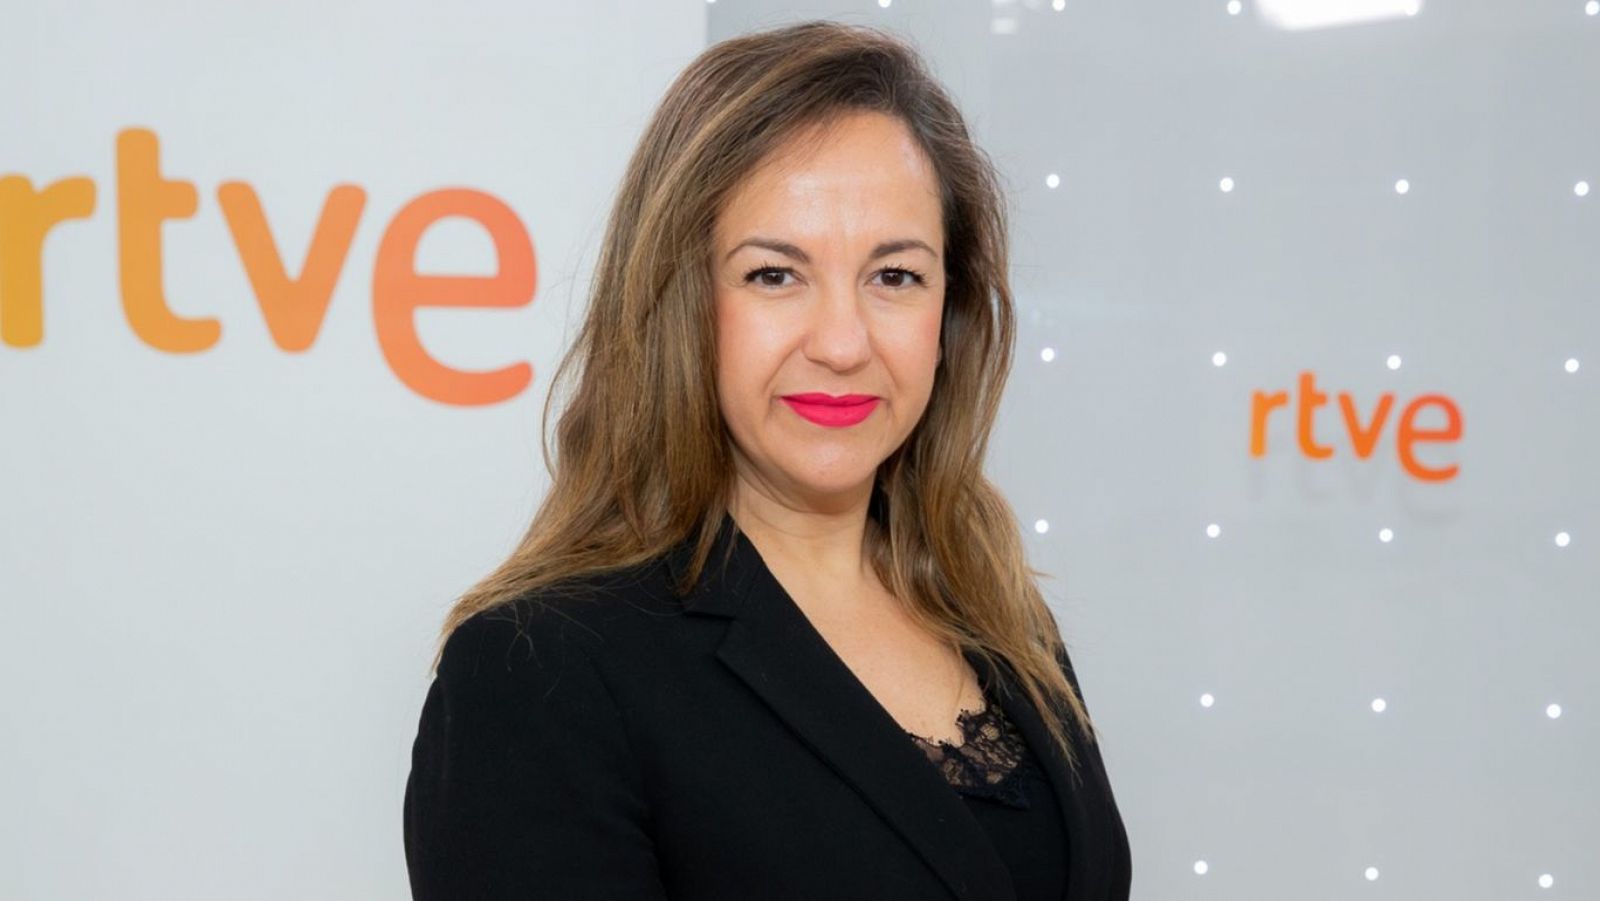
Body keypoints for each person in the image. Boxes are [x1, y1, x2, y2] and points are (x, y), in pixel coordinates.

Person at [403, 19, 1132, 901]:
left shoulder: (999, 614)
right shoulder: (539, 672)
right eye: (774, 275)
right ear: (683, 302)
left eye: (895, 276)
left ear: (953, 310)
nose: (842, 342)